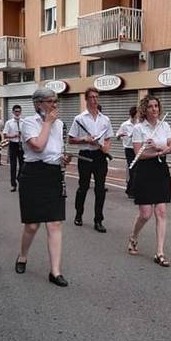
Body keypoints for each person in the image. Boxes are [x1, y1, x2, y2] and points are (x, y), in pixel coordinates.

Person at [15, 89, 70, 287]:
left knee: (55, 223)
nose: (55, 105)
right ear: (38, 104)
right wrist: (47, 123)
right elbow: (38, 146)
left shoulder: (60, 124)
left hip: (53, 173)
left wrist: (63, 158)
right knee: (32, 225)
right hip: (33, 174)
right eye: (50, 101)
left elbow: (55, 149)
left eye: (56, 101)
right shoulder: (29, 123)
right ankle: (22, 255)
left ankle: (55, 271)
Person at [127, 95, 171, 267]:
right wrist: (155, 151)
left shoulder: (165, 125)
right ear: (145, 110)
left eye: (156, 106)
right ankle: (133, 236)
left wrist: (160, 148)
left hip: (161, 169)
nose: (154, 109)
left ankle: (160, 252)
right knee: (145, 214)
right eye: (151, 106)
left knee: (161, 212)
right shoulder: (139, 128)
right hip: (145, 170)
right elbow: (139, 154)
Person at [68, 87, 113, 233]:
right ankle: (79, 214)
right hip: (85, 155)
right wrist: (85, 139)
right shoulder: (79, 119)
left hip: (100, 156)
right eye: (91, 97)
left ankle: (98, 220)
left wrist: (105, 147)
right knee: (83, 187)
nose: (94, 100)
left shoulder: (105, 119)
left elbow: (108, 138)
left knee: (100, 189)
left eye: (96, 97)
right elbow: (71, 140)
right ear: (86, 99)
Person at [116, 106, 138, 198]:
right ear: (133, 114)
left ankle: (130, 190)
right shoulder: (125, 124)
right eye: (137, 113)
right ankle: (131, 191)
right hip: (128, 149)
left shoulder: (139, 124)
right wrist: (121, 135)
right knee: (132, 170)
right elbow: (117, 136)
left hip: (137, 148)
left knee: (137, 170)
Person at [3, 105, 24, 192]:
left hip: (22, 144)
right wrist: (14, 135)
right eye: (16, 111)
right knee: (13, 165)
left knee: (23, 164)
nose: (17, 113)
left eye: (19, 111)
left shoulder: (24, 122)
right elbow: (5, 134)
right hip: (13, 144)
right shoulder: (9, 123)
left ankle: (20, 178)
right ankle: (13, 184)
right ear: (13, 112)